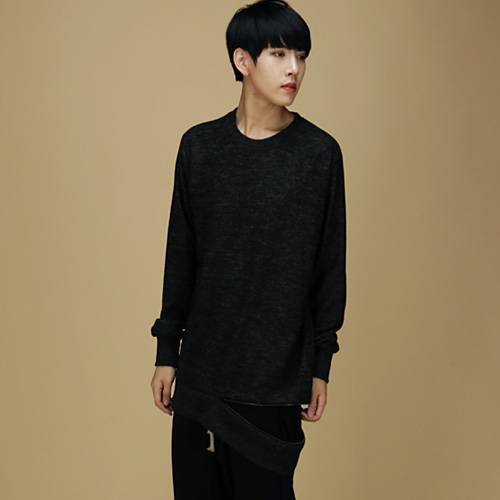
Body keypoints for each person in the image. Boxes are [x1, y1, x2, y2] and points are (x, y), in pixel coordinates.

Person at [149, 1, 347, 498]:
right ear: (242, 60)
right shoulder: (200, 148)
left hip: (274, 383)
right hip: (201, 380)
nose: (294, 68)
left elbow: (329, 268)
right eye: (279, 54)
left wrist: (321, 364)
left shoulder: (319, 155)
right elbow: (181, 257)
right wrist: (167, 352)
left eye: (301, 55)